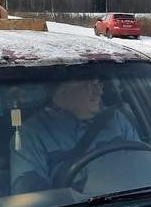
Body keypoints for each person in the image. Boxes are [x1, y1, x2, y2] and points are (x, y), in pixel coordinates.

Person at [10, 77, 140, 193]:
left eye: (99, 84)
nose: (99, 91)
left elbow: (142, 163)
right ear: (61, 93)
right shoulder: (31, 134)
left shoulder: (116, 119)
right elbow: (29, 198)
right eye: (89, 85)